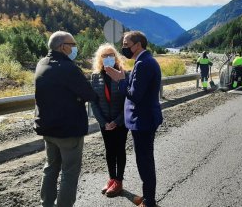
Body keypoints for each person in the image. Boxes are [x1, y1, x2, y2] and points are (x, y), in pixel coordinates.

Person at [34, 31, 97, 207]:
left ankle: (46, 204)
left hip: (47, 128)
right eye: (73, 44)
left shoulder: (41, 64)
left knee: (50, 168)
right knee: (69, 172)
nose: (75, 48)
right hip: (68, 131)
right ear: (63, 47)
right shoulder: (68, 68)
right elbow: (89, 94)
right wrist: (78, 97)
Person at [105, 31, 163, 207]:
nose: (124, 48)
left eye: (126, 44)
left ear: (137, 45)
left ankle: (149, 201)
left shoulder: (144, 63)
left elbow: (135, 95)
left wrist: (121, 81)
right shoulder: (145, 61)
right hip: (145, 119)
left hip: (143, 121)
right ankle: (148, 198)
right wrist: (124, 77)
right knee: (145, 159)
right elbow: (138, 87)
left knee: (144, 161)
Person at [90, 43, 128, 197]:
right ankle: (111, 179)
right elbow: (93, 102)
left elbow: (128, 101)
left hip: (120, 122)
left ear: (116, 57)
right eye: (104, 56)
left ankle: (119, 181)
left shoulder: (123, 74)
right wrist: (103, 121)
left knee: (119, 150)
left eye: (111, 55)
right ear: (100, 58)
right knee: (109, 150)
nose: (108, 58)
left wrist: (117, 121)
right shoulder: (95, 76)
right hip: (104, 122)